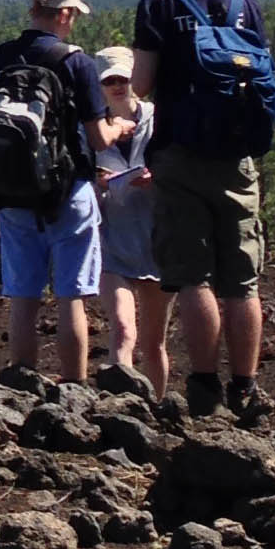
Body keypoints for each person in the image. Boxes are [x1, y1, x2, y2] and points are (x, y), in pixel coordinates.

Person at [130, 0, 271, 417]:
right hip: (236, 156)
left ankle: (206, 386)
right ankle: (247, 386)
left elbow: (142, 85)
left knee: (193, 278)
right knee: (242, 280)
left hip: (179, 154)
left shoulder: (158, 3)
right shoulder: (242, 1)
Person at [0, 0, 139, 384]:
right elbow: (99, 139)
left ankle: (21, 384)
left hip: (12, 196)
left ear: (33, 10)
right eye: (73, 15)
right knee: (71, 297)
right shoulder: (75, 62)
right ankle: (73, 389)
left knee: (23, 298)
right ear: (64, 14)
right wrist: (120, 127)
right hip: (70, 192)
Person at [89, 45, 168, 393]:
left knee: (154, 344)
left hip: (158, 243)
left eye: (123, 78)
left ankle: (158, 410)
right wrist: (96, 182)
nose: (118, 86)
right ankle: (121, 409)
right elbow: (76, 184)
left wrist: (159, 179)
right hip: (111, 243)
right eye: (110, 81)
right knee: (122, 330)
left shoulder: (159, 119)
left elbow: (178, 168)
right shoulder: (91, 130)